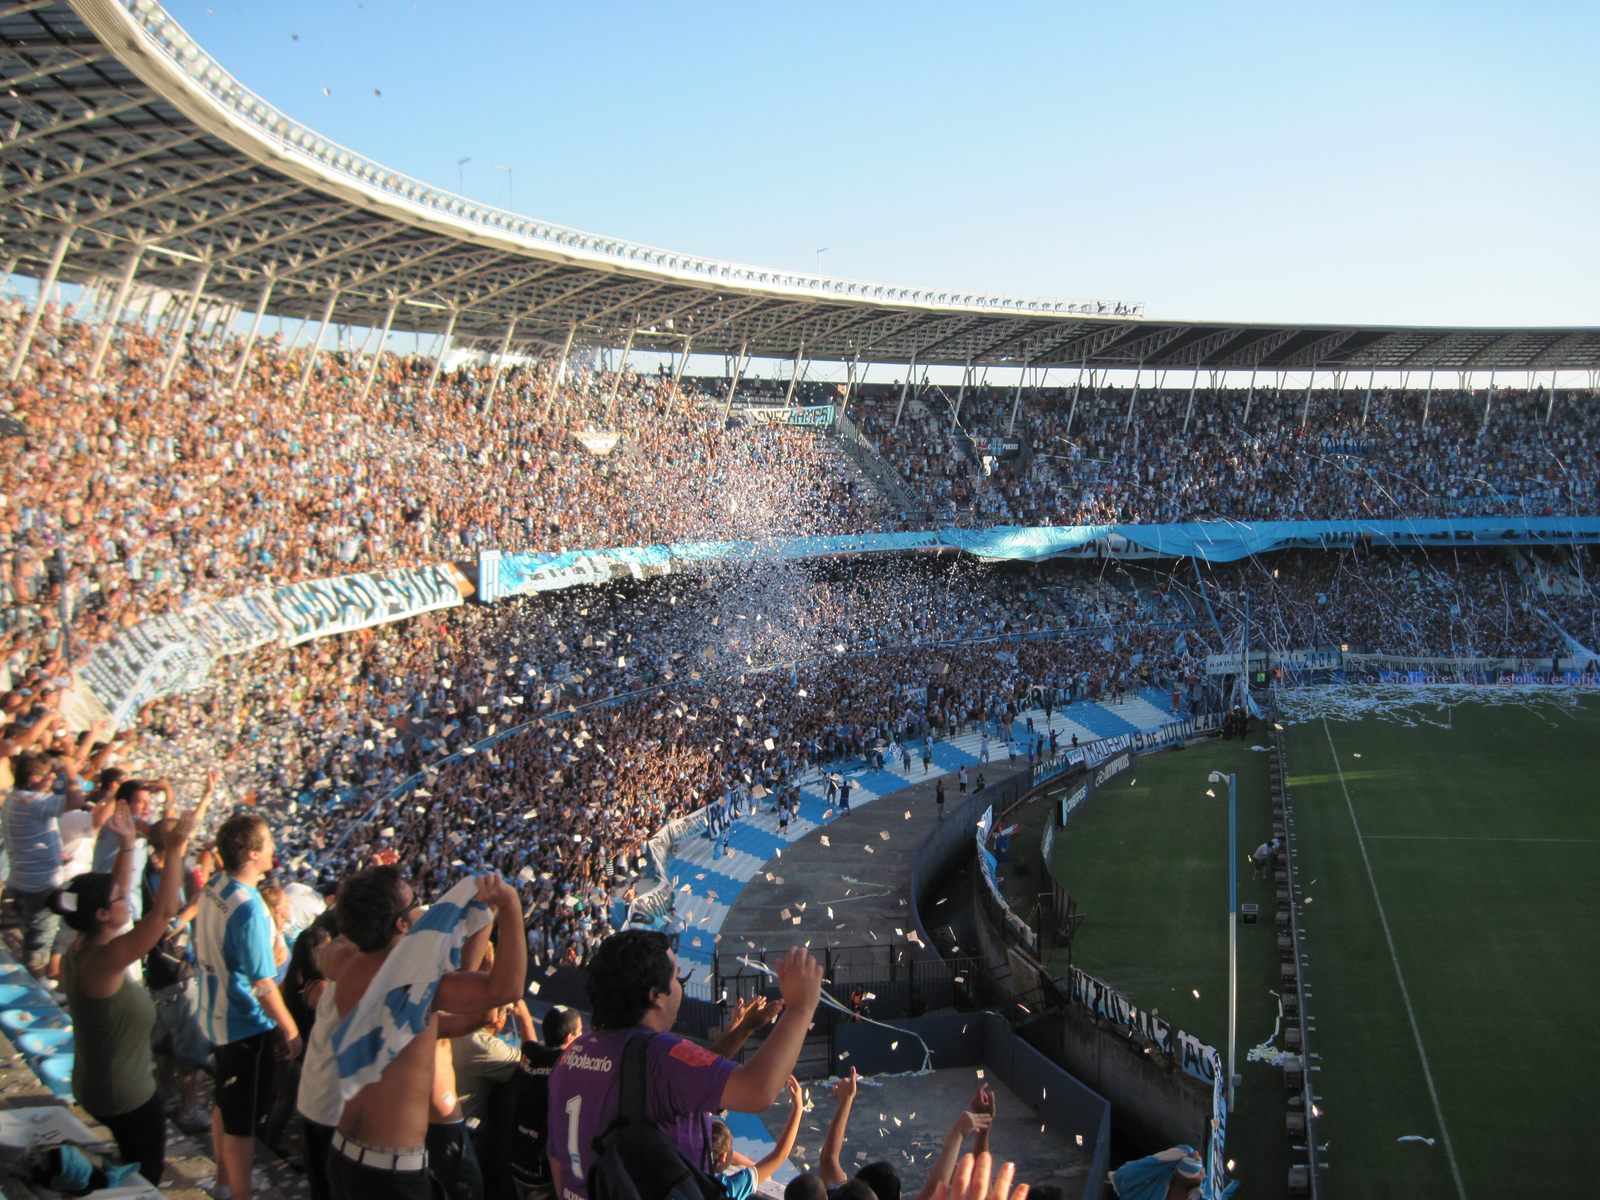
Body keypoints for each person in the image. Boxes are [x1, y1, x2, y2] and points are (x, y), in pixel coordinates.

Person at [546, 933, 823, 1200]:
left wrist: (741, 1031)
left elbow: (556, 1159)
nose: (681, 986)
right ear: (656, 995)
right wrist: (801, 1007)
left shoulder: (572, 1055)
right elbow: (758, 1091)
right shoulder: (658, 1054)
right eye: (676, 977)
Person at [326, 867, 526, 1200]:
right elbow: (506, 988)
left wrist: (482, 917)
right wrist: (511, 906)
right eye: (416, 902)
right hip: (391, 1170)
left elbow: (416, 1032)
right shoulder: (417, 984)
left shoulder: (346, 965)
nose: (424, 909)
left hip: (342, 1151)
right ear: (402, 924)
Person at [55, 788, 206, 1185]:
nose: (127, 897)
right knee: (145, 1174)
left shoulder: (85, 943)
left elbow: (113, 903)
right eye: (121, 898)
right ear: (103, 914)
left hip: (100, 1082)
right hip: (124, 1096)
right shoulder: (105, 960)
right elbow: (164, 913)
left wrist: (126, 846)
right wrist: (175, 850)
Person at [195, 812, 303, 1200]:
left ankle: (223, 1183)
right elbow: (263, 984)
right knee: (242, 1122)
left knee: (225, 1102)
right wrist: (291, 1031)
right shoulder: (250, 908)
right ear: (255, 853)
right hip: (244, 1026)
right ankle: (239, 1193)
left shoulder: (214, 887)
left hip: (214, 1013)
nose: (275, 848)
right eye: (269, 842)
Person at [4, 750, 87, 977]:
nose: (51, 778)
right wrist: (70, 771)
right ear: (33, 779)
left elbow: (59, 800)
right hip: (40, 884)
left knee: (21, 934)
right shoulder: (33, 802)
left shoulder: (17, 797)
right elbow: (76, 801)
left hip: (22, 878)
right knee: (40, 938)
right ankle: (32, 983)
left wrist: (57, 777)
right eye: (47, 775)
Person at [508, 1006, 584, 1200]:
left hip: (515, 1161)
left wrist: (524, 1015)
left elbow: (529, 1042)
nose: (583, 1036)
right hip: (542, 1173)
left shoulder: (531, 1055)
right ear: (569, 1038)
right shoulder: (565, 1067)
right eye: (580, 1032)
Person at [708, 1074, 804, 1200]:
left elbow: (719, 1150)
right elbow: (780, 1155)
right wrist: (798, 1108)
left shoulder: (683, 1162)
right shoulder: (727, 1188)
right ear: (723, 1157)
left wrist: (750, 1164)